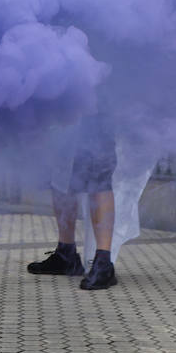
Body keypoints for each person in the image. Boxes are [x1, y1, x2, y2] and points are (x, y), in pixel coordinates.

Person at [27, 112, 118, 290]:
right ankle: (66, 254)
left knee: (99, 175)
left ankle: (104, 262)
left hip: (98, 105)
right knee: (60, 174)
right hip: (66, 102)